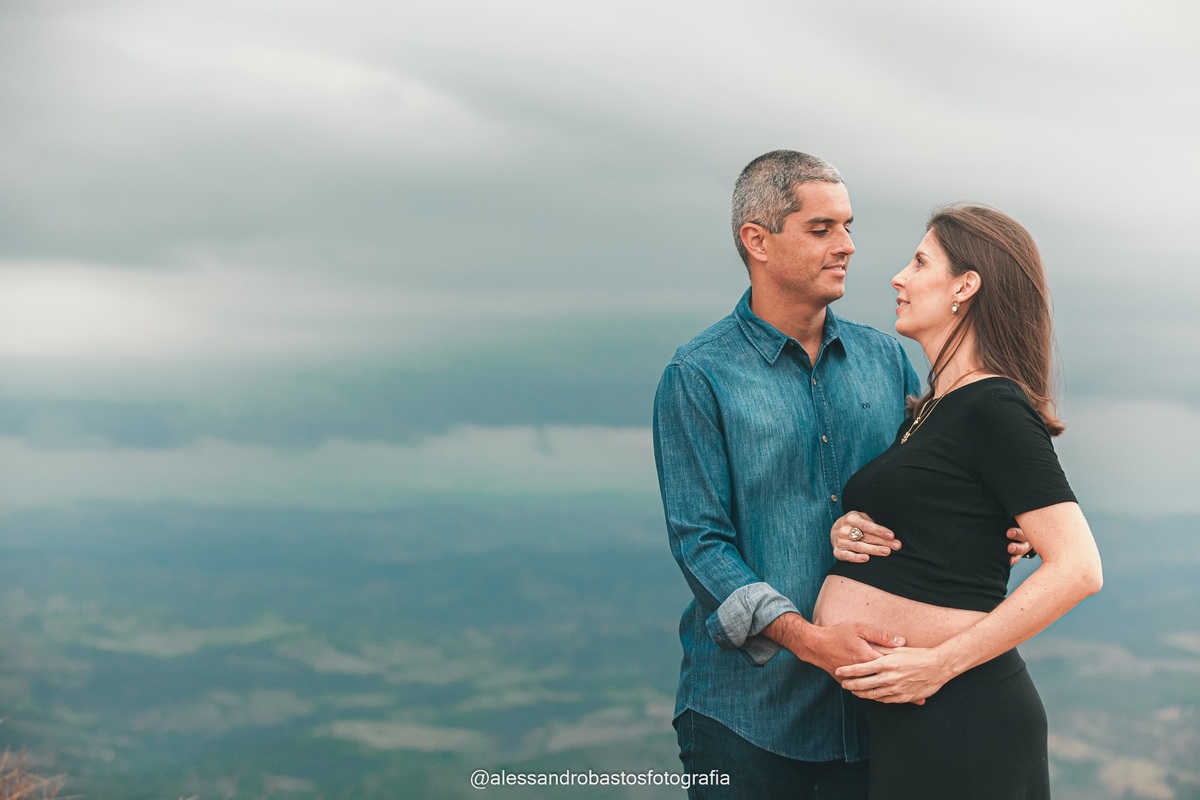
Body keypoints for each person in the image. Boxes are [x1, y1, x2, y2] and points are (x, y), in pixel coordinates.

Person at [654, 150, 975, 799]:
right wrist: (810, 640)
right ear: (758, 241)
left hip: (877, 712)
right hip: (746, 721)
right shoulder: (697, 377)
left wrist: (997, 525)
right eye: (822, 229)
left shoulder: (888, 360)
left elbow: (930, 492)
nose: (850, 247)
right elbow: (702, 546)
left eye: (848, 226)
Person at [813, 205, 1104, 799]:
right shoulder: (931, 410)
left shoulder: (993, 405)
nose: (898, 277)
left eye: (920, 263)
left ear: (964, 287)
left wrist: (939, 663)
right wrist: (849, 528)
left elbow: (1078, 569)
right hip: (916, 718)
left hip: (963, 714)